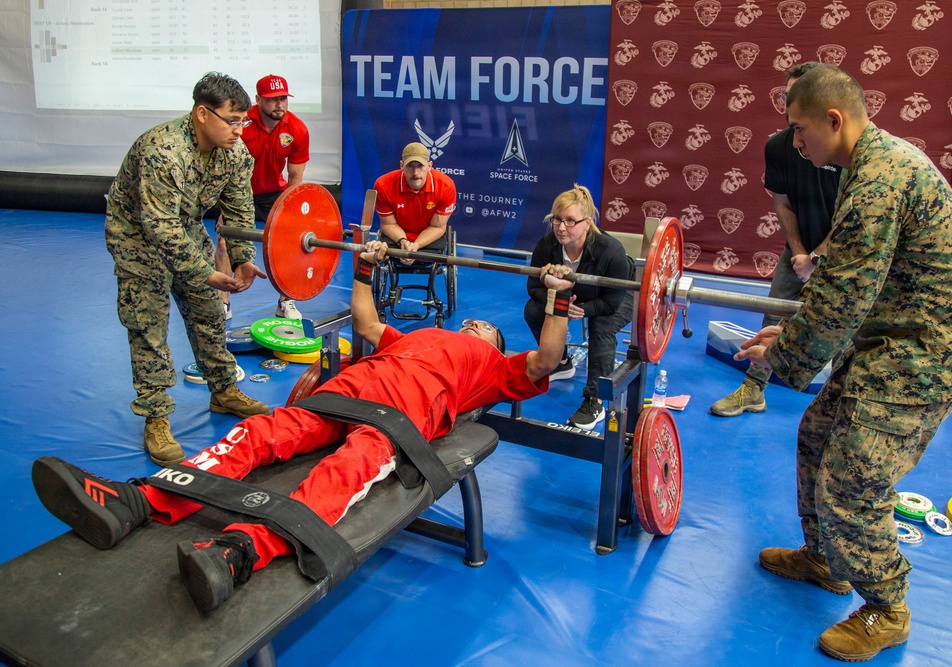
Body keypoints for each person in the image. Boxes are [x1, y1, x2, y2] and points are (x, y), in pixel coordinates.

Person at [32, 240, 576, 614]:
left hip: (396, 422)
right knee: (260, 434)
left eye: (491, 331)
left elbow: (545, 360)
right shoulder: (416, 336)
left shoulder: (491, 369)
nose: (480, 325)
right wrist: (365, 266)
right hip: (344, 394)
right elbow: (365, 322)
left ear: (495, 347)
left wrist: (559, 296)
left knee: (341, 476)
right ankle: (139, 501)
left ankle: (237, 552)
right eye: (476, 322)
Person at [734, 65, 952, 662]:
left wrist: (785, 355)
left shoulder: (879, 180)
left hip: (925, 359)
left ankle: (887, 608)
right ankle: (826, 561)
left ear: (834, 119)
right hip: (887, 343)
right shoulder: (869, 165)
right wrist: (795, 329)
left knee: (851, 483)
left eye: (799, 130)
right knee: (816, 437)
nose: (795, 144)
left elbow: (844, 292)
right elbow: (852, 285)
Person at [105, 72, 273, 468]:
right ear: (202, 113)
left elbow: (237, 210)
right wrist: (204, 271)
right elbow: (157, 225)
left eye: (243, 121)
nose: (239, 130)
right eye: (232, 121)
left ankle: (223, 390)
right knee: (147, 322)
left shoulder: (235, 153)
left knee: (209, 311)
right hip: (136, 233)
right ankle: (156, 415)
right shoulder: (162, 151)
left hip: (181, 226)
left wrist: (242, 257)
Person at [711, 62, 841, 417]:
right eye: (788, 96)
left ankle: (840, 407)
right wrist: (800, 254)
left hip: (845, 254)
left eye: (801, 96)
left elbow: (856, 213)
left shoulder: (847, 150)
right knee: (774, 318)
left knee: (844, 326)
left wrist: (818, 258)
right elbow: (782, 202)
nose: (792, 104)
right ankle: (753, 390)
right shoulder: (779, 145)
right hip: (797, 252)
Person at [523, 184, 634, 430]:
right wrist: (560, 299)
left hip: (617, 294)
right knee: (533, 310)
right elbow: (533, 288)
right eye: (557, 220)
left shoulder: (611, 251)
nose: (562, 227)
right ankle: (561, 362)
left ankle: (595, 399)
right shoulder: (547, 244)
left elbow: (611, 302)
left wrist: (582, 310)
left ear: (587, 222)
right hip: (575, 293)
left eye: (571, 221)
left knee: (601, 326)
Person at [217, 74, 311, 320]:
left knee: (290, 240)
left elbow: (295, 178)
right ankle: (222, 303)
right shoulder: (241, 123)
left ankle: (285, 301)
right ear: (258, 99)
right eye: (272, 99)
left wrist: (289, 213)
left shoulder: (297, 129)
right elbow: (223, 167)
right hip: (238, 192)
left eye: (283, 98)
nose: (279, 104)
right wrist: (225, 206)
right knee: (225, 240)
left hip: (274, 193)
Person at [372, 142, 456, 262]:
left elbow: (437, 227)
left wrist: (415, 246)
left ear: (429, 166)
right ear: (402, 165)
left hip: (428, 238)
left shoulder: (446, 187)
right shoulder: (383, 185)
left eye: (420, 166)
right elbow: (388, 224)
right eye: (410, 165)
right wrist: (403, 242)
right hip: (397, 237)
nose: (415, 173)